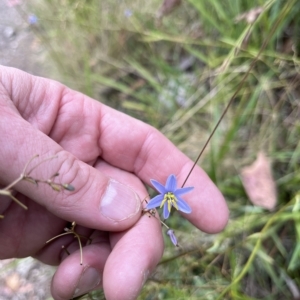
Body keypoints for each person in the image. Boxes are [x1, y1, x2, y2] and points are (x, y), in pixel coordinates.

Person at [0, 66, 229, 300]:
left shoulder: (166, 197)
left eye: (171, 198)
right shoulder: (162, 195)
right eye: (169, 197)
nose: (169, 199)